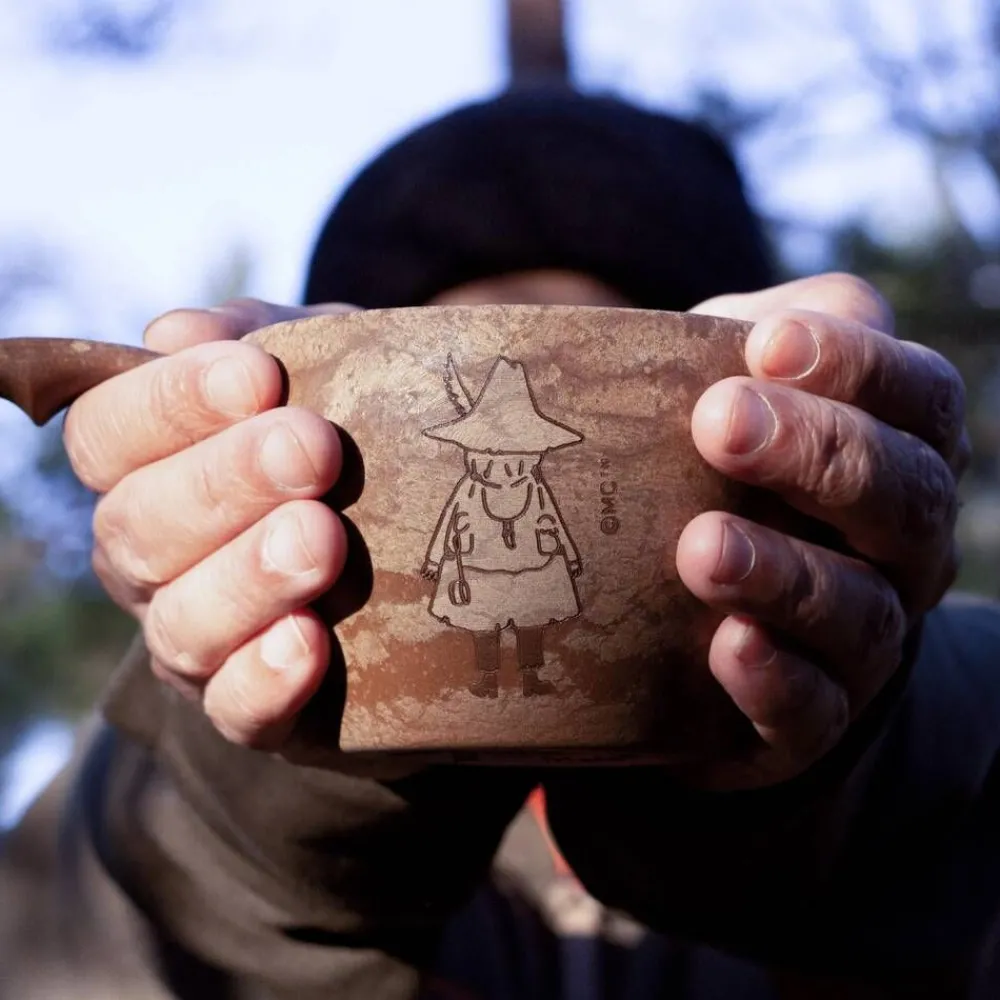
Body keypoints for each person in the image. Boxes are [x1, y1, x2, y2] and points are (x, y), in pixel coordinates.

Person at [0, 85, 996, 1000]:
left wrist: (850, 748)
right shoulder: (121, 821)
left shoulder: (955, 725)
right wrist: (273, 782)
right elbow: (94, 944)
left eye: (595, 350)